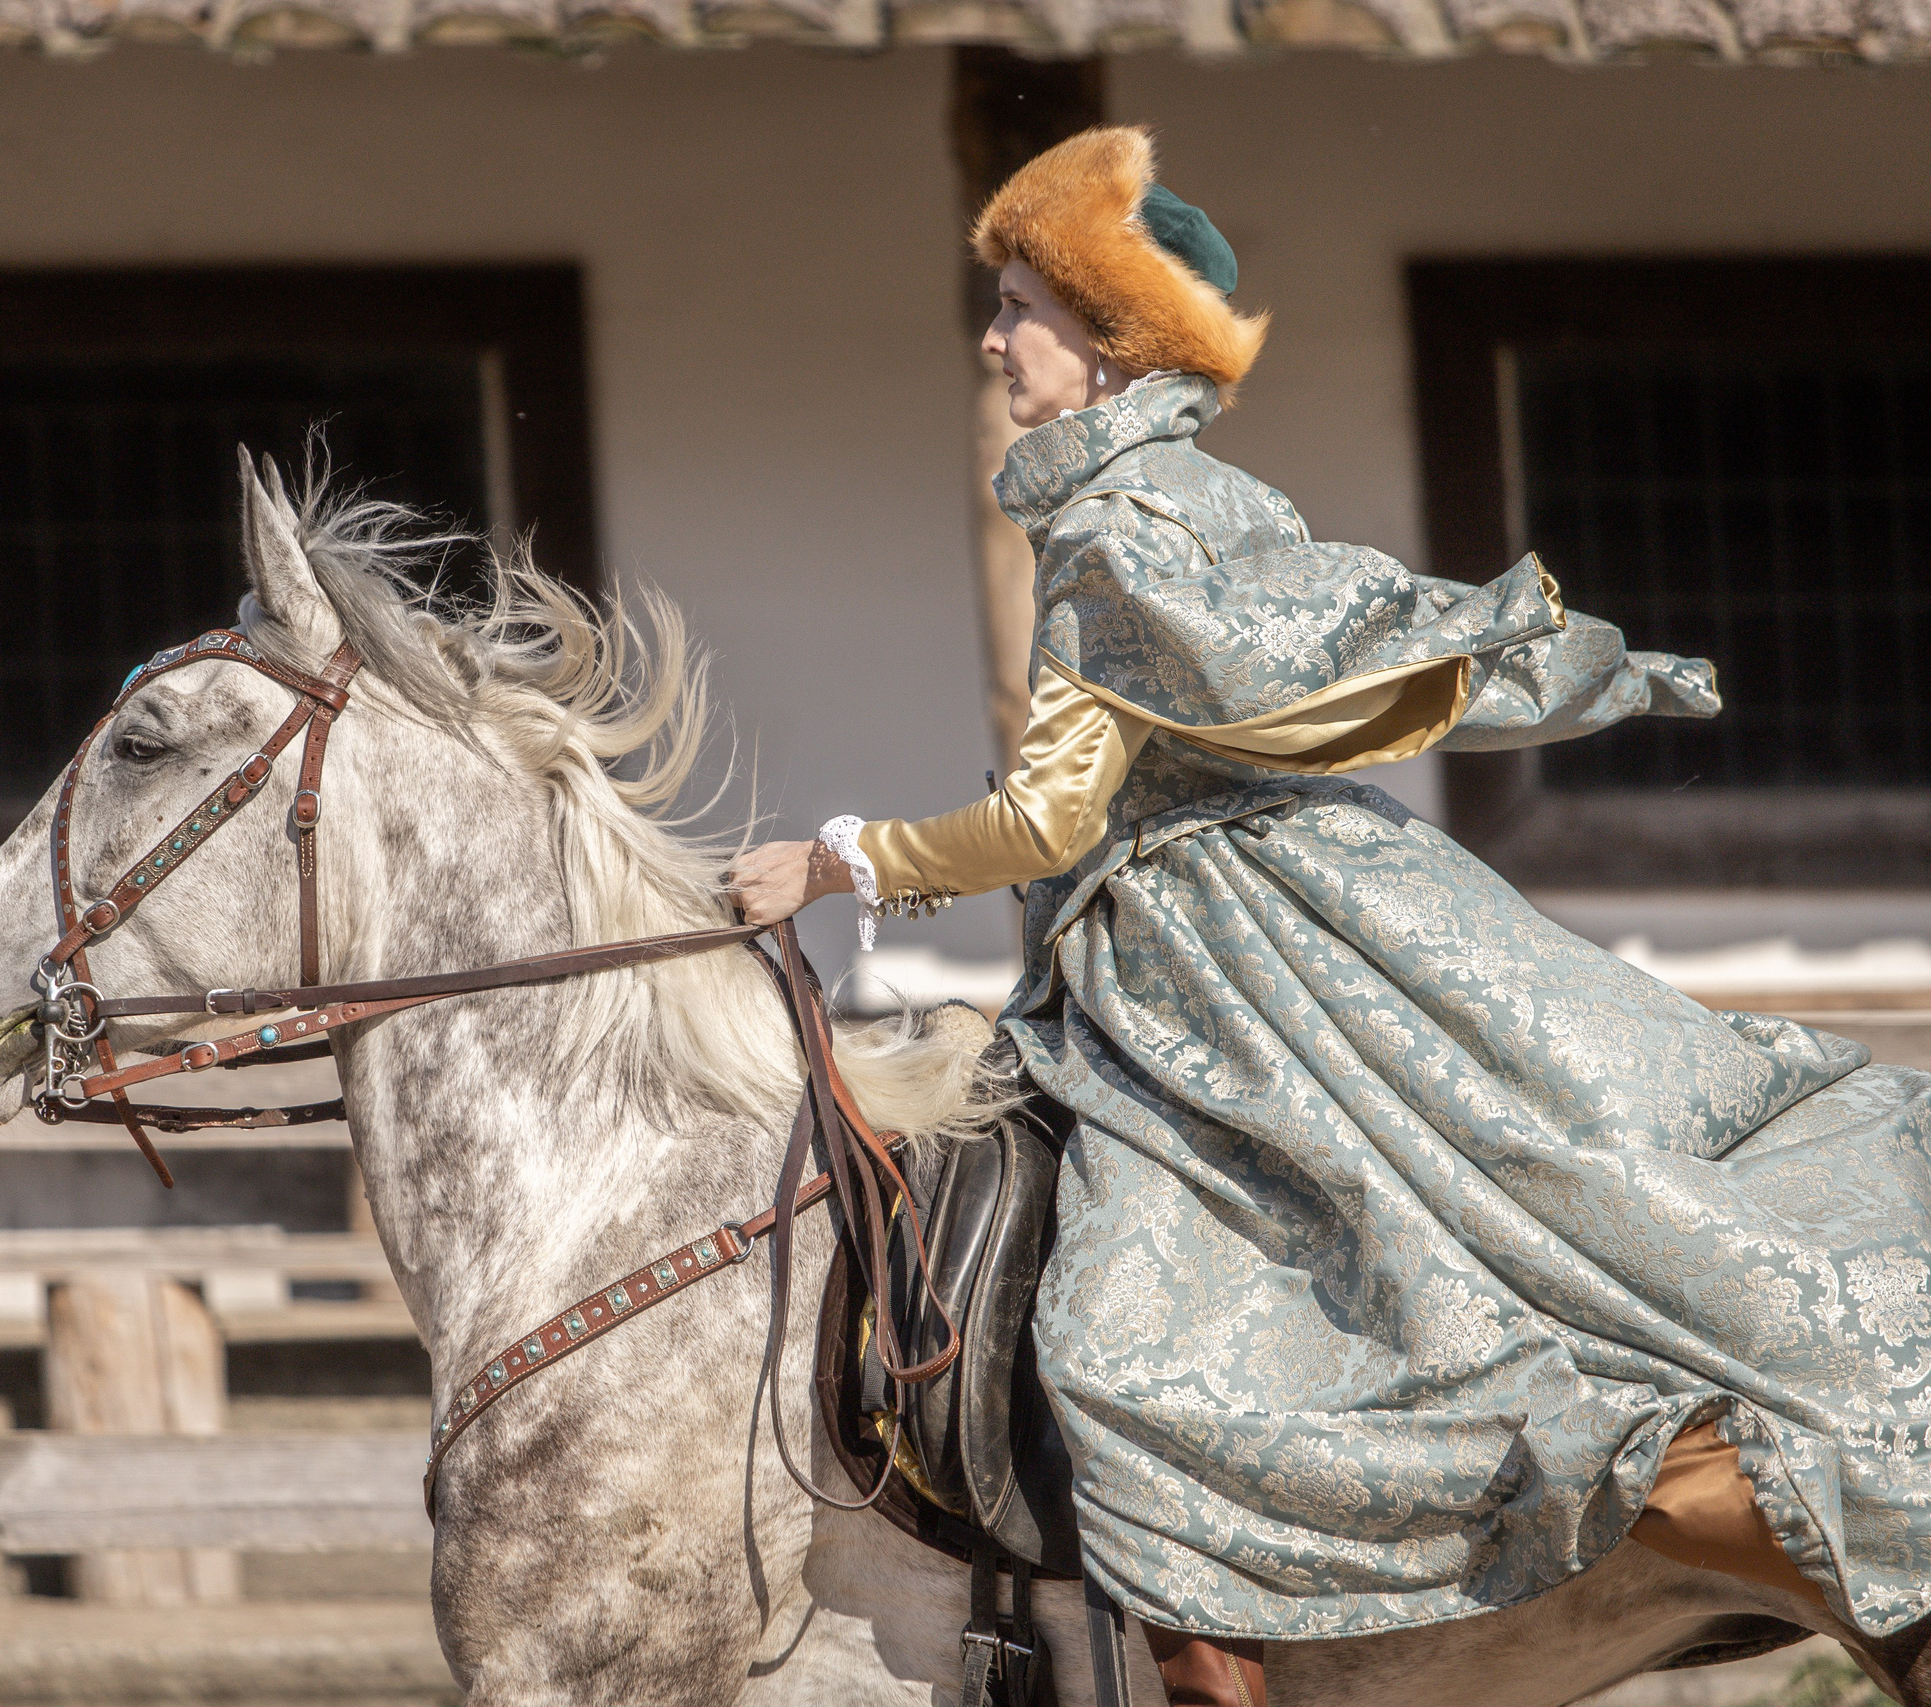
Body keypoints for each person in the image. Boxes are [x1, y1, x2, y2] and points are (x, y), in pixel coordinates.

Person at [729, 126, 1931, 1706]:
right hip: (1325, 914)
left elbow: (1049, 820)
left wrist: (828, 862)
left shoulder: (1106, 536)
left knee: (1123, 1345)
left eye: (1021, 302)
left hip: (1215, 975)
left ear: (1110, 341)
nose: (995, 333)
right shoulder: (1212, 498)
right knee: (1504, 1219)